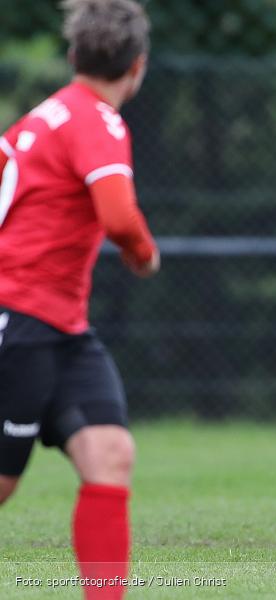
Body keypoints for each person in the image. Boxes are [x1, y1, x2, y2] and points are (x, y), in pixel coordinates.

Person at [0, 1, 158, 597]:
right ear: (136, 68)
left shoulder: (45, 116)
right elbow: (118, 216)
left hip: (60, 327)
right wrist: (144, 255)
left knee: (110, 454)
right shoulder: (96, 120)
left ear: (72, 56)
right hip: (21, 319)